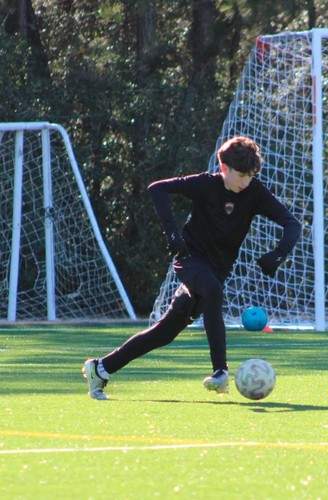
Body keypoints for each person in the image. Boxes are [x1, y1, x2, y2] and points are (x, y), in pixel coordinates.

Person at [83, 136, 301, 400]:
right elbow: (157, 189)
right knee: (212, 290)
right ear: (224, 168)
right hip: (190, 259)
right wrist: (172, 235)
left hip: (217, 270)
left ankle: (100, 368)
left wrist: (278, 254)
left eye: (250, 175)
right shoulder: (206, 184)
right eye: (241, 175)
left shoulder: (254, 192)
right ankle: (220, 372)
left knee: (164, 333)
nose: (246, 181)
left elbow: (292, 224)